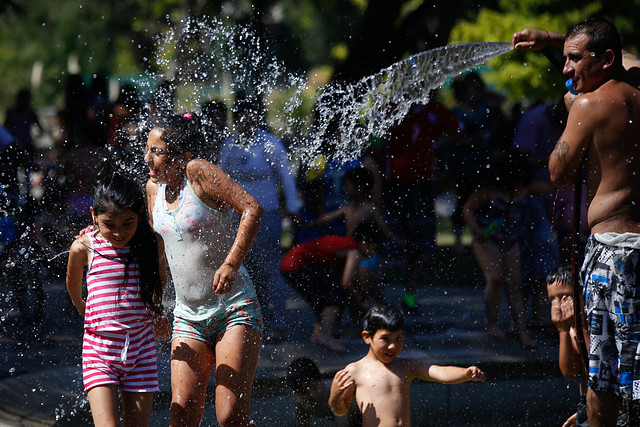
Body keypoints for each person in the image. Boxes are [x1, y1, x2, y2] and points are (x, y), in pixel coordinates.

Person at [513, 18, 640, 426]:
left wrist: (574, 113)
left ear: (604, 59)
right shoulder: (636, 81)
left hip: (613, 257)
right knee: (637, 365)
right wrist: (552, 42)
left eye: (573, 60)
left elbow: (557, 174)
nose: (566, 70)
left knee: (601, 374)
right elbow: (628, 58)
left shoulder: (588, 105)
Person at [144, 112, 265, 426]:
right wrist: (156, 307)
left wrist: (231, 263)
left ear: (181, 156)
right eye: (147, 150)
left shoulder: (198, 172)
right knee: (180, 416)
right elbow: (159, 254)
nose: (148, 158)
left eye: (156, 152)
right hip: (187, 315)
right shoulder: (153, 190)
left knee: (231, 417)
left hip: (234, 309)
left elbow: (252, 208)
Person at [66, 174, 171, 426]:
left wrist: (156, 312)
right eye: (109, 224)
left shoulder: (150, 243)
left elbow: (159, 280)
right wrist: (82, 306)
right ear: (94, 215)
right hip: (99, 351)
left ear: (139, 214)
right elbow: (72, 281)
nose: (119, 232)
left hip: (141, 349)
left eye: (128, 223)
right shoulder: (84, 247)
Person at [218, 95, 302, 343]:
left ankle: (278, 323)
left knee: (269, 269)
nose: (246, 121)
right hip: (235, 217)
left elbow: (286, 179)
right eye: (241, 116)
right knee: (240, 269)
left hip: (267, 216)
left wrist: (294, 208)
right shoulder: (230, 145)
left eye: (251, 116)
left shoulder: (270, 144)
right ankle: (243, 321)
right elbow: (220, 180)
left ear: (258, 118)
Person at [328, 305, 486, 426]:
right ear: (367, 337)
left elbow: (439, 372)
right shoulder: (355, 371)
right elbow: (340, 410)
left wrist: (465, 373)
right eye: (386, 338)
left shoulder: (407, 366)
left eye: (398, 338)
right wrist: (335, 396)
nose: (393, 346)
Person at [462, 151, 537, 348]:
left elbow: (550, 184)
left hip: (512, 241)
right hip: (488, 240)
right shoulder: (490, 192)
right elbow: (467, 209)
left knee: (515, 284)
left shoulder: (525, 189)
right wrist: (478, 231)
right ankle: (492, 324)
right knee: (495, 279)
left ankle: (521, 331)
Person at [280, 220, 385, 352]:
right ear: (364, 240)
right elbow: (346, 283)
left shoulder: (346, 245)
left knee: (324, 298)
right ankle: (325, 334)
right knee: (336, 295)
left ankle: (318, 334)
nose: (371, 254)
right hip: (296, 265)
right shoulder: (354, 249)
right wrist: (361, 304)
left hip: (289, 264)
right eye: (373, 249)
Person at [286, 357, 360, 427]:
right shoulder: (301, 404)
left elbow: (342, 425)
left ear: (321, 379)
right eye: (303, 392)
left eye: (314, 388)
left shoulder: (335, 393)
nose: (312, 395)